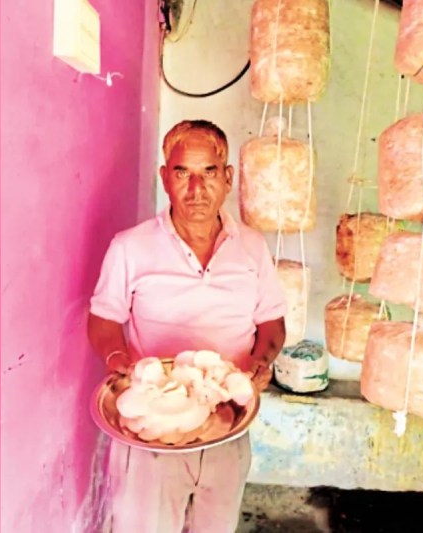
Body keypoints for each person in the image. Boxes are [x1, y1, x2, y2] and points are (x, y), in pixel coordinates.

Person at [87, 119, 287, 532]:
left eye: (209, 173)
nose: (196, 189)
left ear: (228, 177)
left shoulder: (252, 247)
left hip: (227, 424)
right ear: (165, 178)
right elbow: (103, 318)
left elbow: (271, 321)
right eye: (182, 173)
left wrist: (261, 361)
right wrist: (116, 356)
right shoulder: (130, 247)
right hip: (153, 433)